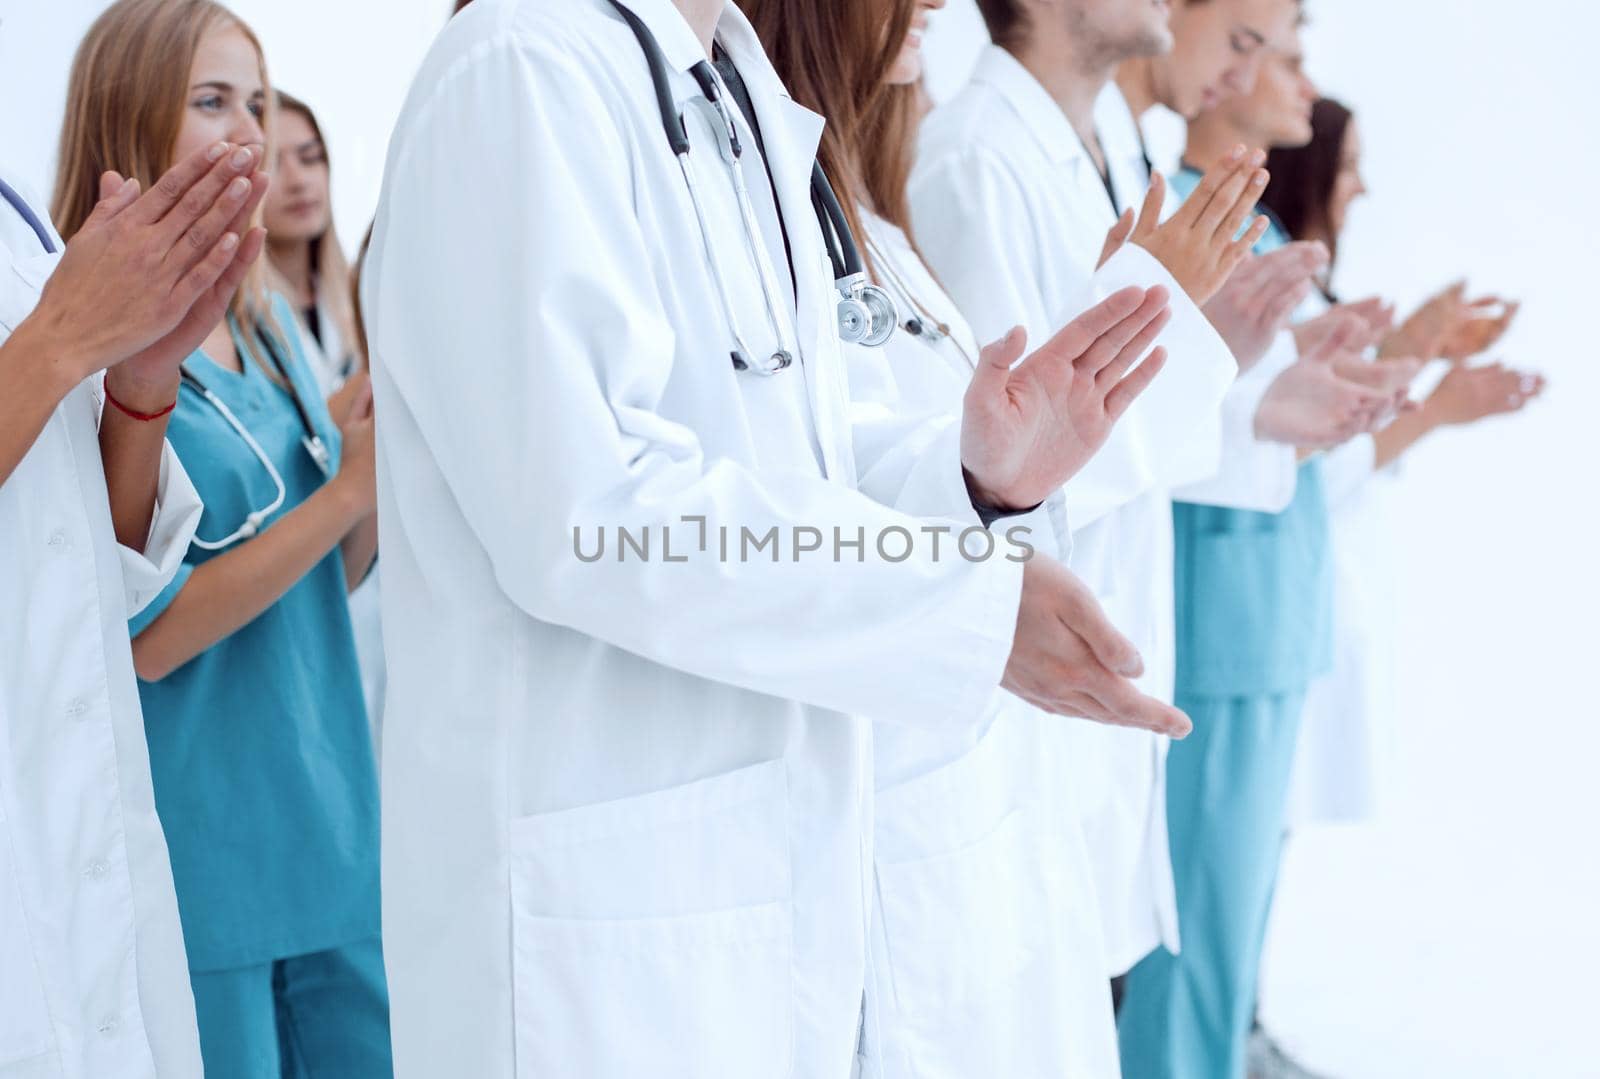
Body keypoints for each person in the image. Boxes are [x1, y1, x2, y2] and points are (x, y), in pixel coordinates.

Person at [363, 0, 1201, 1075]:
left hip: (752, 895)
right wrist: (957, 599)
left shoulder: (730, 91)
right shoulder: (523, 63)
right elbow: (589, 514)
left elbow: (793, 459)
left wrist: (969, 472)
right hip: (603, 915)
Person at [909, 0, 1390, 1018]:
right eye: (1251, 37)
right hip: (1021, 715)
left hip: (1098, 714)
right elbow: (1005, 470)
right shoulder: (973, 162)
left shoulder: (1108, 154)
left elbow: (1104, 427)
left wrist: (1249, 393)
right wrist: (1229, 392)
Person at [739, 0, 1191, 1072]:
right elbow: (786, 501)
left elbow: (979, 451)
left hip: (988, 761)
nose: (933, 8)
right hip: (905, 759)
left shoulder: (873, 219)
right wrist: (989, 490)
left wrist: (996, 474)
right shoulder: (946, 171)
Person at [52, 2, 389, 1075]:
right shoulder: (96, 340)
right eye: (211, 103)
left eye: (256, 99)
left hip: (333, 836)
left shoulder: (267, 321)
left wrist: (377, 468)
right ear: (129, 118)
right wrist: (343, 494)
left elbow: (336, 577)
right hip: (211, 862)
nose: (247, 132)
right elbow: (146, 632)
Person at [1115, 27, 1416, 1078]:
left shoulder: (1256, 222)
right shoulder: (1183, 208)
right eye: (1262, 42)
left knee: (1227, 910)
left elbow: (1242, 396)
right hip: (1217, 617)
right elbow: (1170, 400)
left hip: (1269, 613)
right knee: (1191, 924)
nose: (1283, 70)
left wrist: (1329, 371)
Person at [1245, 98, 1542, 1079]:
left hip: (1294, 602)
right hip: (1250, 611)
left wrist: (1422, 350)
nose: (1362, 184)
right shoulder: (1265, 273)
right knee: (1230, 853)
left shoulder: (1298, 280)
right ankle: (1226, 1028)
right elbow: (1314, 459)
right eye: (1350, 164)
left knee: (1254, 845)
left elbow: (1339, 429)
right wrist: (1436, 396)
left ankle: (1237, 1020)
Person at [1, 124, 267, 1079]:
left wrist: (143, 380)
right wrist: (62, 335)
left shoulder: (15, 210)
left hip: (97, 861)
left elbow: (85, 561)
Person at [264, 88, 386, 746]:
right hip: (303, 582)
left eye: (311, 157)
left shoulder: (359, 292)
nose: (299, 179)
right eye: (276, 161)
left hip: (378, 587)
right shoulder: (242, 323)